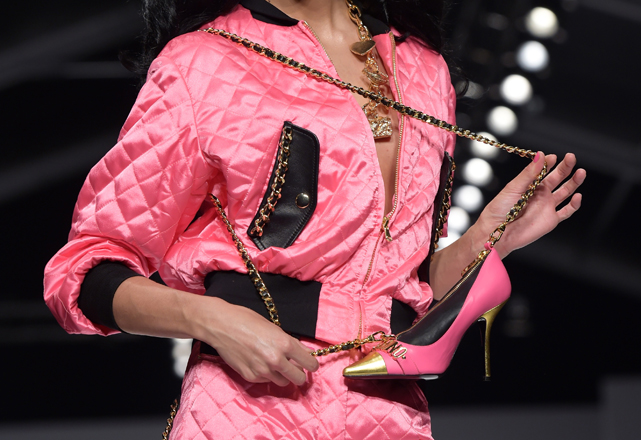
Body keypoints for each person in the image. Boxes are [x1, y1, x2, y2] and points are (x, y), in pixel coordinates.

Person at [44, 0, 586, 438]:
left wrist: (490, 237)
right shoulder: (203, 61)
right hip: (245, 404)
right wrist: (211, 320)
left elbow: (404, 287)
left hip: (387, 408)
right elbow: (84, 272)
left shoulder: (424, 68)